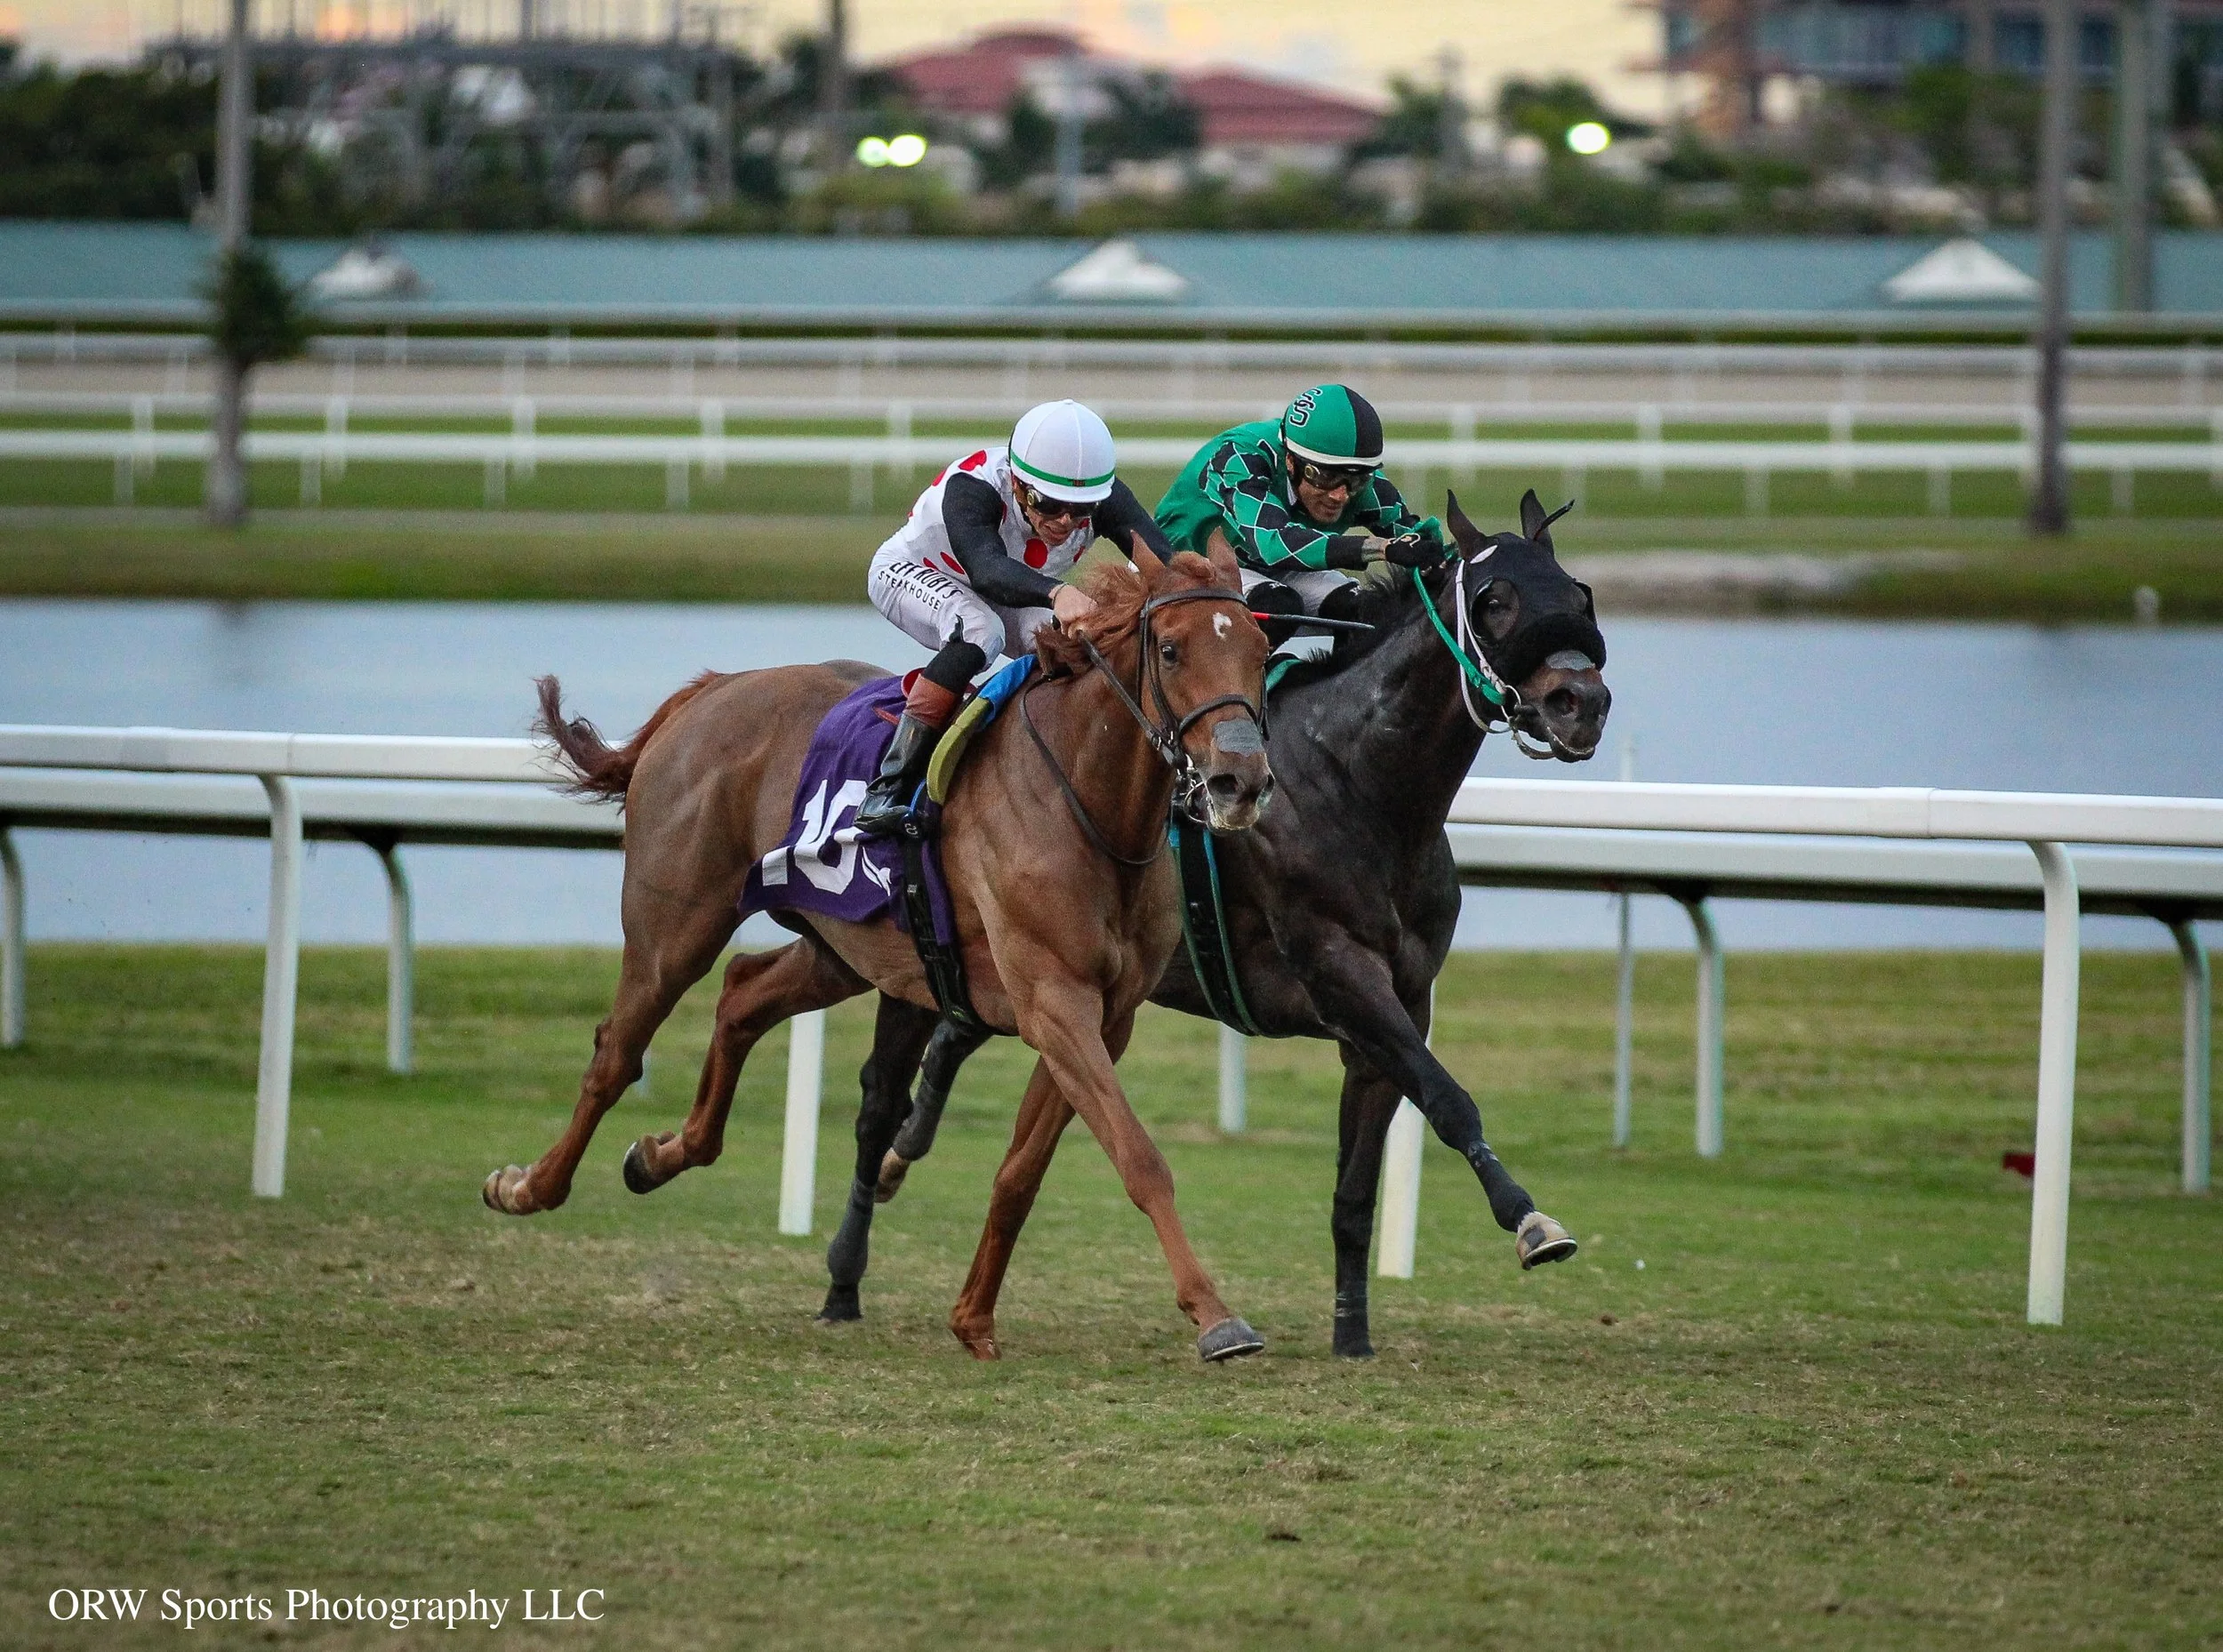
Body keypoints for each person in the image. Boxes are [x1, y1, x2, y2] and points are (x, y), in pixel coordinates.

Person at [857, 398, 1181, 833]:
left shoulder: (1101, 496)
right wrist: (1058, 591)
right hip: (916, 571)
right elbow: (987, 571)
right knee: (981, 631)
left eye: (1081, 510)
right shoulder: (973, 488)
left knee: (1073, 648)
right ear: (1017, 482)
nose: (1064, 521)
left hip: (1007, 585)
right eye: (1047, 504)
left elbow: (1162, 563)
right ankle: (888, 788)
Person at [1155, 383, 1447, 632]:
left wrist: (1437, 558)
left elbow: (1422, 541)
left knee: (1361, 609)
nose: (1340, 495)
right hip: (1188, 566)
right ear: (1291, 461)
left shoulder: (1364, 486)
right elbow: (1274, 543)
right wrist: (1380, 547)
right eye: (1325, 476)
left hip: (1271, 568)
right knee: (1279, 607)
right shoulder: (1239, 459)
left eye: (1356, 479)